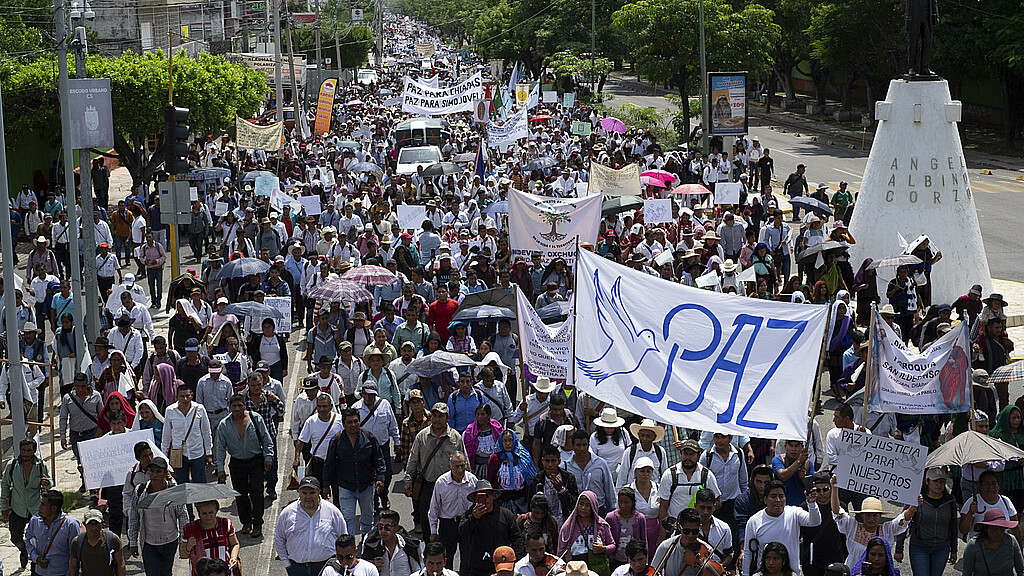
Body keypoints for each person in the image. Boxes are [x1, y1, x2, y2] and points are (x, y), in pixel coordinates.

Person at [215, 393, 275, 537]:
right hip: (237, 463)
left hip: (255, 461)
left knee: (256, 493)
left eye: (240, 405)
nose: (237, 409)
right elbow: (220, 447)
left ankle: (258, 524)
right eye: (234, 406)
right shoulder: (224, 425)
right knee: (240, 494)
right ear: (229, 407)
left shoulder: (255, 418)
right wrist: (220, 468)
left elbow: (267, 439)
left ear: (245, 406)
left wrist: (268, 457)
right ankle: (246, 522)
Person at [404, 402, 469, 536]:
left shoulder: (455, 437)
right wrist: (408, 480)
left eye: (441, 416)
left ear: (447, 418)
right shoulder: (422, 436)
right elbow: (413, 459)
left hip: (449, 486)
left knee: (448, 520)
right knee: (425, 517)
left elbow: (464, 461)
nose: (437, 419)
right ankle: (430, 548)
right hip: (428, 484)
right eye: (435, 416)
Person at [322, 405, 387, 536]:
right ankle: (350, 550)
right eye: (349, 422)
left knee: (368, 520)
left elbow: (379, 459)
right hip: (346, 487)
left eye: (356, 421)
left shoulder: (369, 437)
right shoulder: (336, 440)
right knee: (348, 520)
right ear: (344, 424)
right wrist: (325, 485)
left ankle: (366, 546)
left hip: (367, 487)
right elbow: (329, 464)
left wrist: (380, 478)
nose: (353, 425)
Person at [830, 475, 914, 569]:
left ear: (880, 516)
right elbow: (836, 511)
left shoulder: (887, 530)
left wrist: (913, 506)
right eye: (868, 515)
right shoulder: (852, 527)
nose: (871, 519)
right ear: (862, 515)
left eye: (875, 515)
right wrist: (834, 487)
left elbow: (904, 519)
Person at [742, 479, 822, 576]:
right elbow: (748, 552)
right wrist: (745, 574)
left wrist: (812, 503)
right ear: (765, 499)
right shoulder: (754, 521)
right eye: (773, 496)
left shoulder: (794, 513)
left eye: (781, 496)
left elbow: (815, 521)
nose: (778, 500)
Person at [127, 456, 190, 576]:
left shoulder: (173, 491)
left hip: (170, 542)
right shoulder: (140, 491)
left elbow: (183, 515)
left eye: (158, 471)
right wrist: (133, 542)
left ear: (165, 473)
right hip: (149, 543)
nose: (154, 475)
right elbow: (134, 517)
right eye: (152, 471)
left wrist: (183, 540)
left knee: (166, 573)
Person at [273, 477, 348, 576]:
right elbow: (279, 539)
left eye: (312, 493)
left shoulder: (332, 511)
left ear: (318, 492)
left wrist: (340, 563)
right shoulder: (287, 513)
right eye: (304, 493)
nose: (308, 497)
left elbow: (343, 538)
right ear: (299, 493)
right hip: (297, 569)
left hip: (326, 567)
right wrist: (287, 564)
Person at [2, 438, 51, 569]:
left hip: (36, 509)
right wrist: (3, 507)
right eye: (24, 450)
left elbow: (49, 482)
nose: (26, 454)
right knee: (15, 537)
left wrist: (48, 483)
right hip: (18, 508)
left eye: (29, 451)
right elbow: (5, 485)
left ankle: (36, 563)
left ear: (34, 451)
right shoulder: (12, 465)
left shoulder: (41, 465)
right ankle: (24, 551)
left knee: (38, 539)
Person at [458, 480, 525, 576]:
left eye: (487, 496)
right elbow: (462, 532)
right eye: (481, 496)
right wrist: (473, 518)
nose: (485, 499)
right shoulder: (469, 515)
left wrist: (515, 561)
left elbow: (517, 539)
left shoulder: (505, 514)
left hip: (502, 568)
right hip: (477, 568)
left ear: (493, 496)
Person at [354, 381, 401, 509]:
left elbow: (392, 425)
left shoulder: (384, 404)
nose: (369, 398)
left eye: (371, 395)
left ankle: (384, 495)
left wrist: (397, 442)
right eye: (366, 395)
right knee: (370, 477)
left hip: (383, 446)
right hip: (365, 449)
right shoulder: (356, 408)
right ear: (362, 394)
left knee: (388, 473)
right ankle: (374, 502)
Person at [903, 467, 958, 576]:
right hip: (919, 546)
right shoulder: (916, 499)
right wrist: (899, 548)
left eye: (942, 481)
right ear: (927, 481)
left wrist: (954, 550)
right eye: (935, 481)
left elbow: (953, 526)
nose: (939, 485)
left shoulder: (950, 500)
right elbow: (903, 521)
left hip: (942, 547)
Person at [428, 452, 477, 566]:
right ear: (449, 466)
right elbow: (434, 508)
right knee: (446, 558)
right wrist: (433, 531)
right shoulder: (441, 482)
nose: (460, 470)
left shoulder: (473, 481)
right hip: (448, 525)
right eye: (456, 466)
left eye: (462, 465)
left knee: (468, 558)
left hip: (467, 523)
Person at [657, 439, 721, 524]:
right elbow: (663, 506)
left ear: (699, 455)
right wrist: (662, 534)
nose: (687, 458)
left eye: (691, 454)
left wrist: (704, 509)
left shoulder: (707, 475)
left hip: (698, 527)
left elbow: (718, 501)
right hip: (675, 526)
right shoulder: (669, 474)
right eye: (685, 454)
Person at [59, 372, 103, 492]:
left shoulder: (96, 396)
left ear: (87, 384)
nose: (80, 389)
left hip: (92, 433)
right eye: (77, 386)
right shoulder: (68, 398)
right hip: (76, 435)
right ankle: (85, 482)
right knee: (80, 462)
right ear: (74, 385)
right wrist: (63, 436)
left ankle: (94, 485)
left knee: (92, 461)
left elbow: (101, 417)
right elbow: (63, 417)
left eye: (83, 386)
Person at [161, 386, 213, 485]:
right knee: (181, 486)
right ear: (177, 397)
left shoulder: (200, 409)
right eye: (182, 396)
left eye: (187, 396)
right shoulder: (170, 411)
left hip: (197, 453)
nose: (185, 399)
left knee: (200, 486)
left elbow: (206, 432)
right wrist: (165, 456)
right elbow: (166, 435)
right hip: (178, 455)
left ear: (191, 396)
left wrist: (208, 452)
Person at [960, 469, 1024, 546]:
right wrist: (970, 513)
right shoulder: (972, 502)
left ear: (999, 486)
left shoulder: (1006, 501)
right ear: (980, 486)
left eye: (994, 484)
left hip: (1002, 549)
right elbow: (963, 530)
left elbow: (1015, 527)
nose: (990, 487)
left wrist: (1020, 551)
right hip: (979, 550)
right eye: (987, 484)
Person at [25, 490, 81, 576]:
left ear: (54, 508)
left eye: (43, 505)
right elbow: (28, 540)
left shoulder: (71, 525)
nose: (39, 508)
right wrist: (36, 558)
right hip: (39, 572)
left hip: (61, 573)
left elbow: (74, 553)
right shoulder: (35, 521)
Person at [295, 393, 343, 490]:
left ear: (331, 406)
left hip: (336, 463)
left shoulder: (340, 420)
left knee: (338, 492)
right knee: (317, 494)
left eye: (325, 406)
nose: (322, 409)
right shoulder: (311, 421)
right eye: (319, 406)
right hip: (318, 464)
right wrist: (296, 458)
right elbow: (301, 441)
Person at [799, 472, 844, 576]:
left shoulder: (840, 507)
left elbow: (845, 535)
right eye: (818, 490)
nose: (822, 493)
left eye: (826, 489)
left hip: (834, 559)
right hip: (812, 561)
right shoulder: (805, 507)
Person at [557, 491, 616, 570]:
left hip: (596, 566)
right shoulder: (569, 526)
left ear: (593, 507)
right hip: (575, 568)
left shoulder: (602, 525)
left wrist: (604, 549)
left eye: (588, 505)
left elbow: (612, 545)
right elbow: (561, 551)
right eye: (581, 504)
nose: (583, 508)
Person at [180, 500, 240, 576]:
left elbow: (235, 544)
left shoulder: (225, 524)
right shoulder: (190, 529)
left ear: (216, 511)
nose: (208, 516)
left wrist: (233, 557)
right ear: (199, 513)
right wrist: (188, 547)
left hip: (224, 572)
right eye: (204, 513)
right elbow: (182, 555)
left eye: (211, 512)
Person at [650, 508, 715, 576]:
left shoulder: (707, 551)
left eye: (694, 531)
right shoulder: (666, 546)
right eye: (686, 531)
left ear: (700, 527)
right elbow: (654, 571)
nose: (690, 535)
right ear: (679, 527)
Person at [528, 444, 580, 526]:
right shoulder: (536, 481)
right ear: (542, 461)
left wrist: (561, 490)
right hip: (543, 523)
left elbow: (574, 504)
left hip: (564, 522)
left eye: (553, 461)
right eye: (547, 461)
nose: (550, 465)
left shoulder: (568, 478)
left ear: (559, 461)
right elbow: (530, 506)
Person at [360, 508, 423, 576]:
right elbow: (363, 570)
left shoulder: (411, 546)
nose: (383, 531)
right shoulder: (370, 544)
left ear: (396, 528)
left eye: (388, 527)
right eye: (380, 527)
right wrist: (373, 567)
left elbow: (418, 571)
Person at [489, 429, 539, 513]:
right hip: (502, 501)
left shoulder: (523, 457)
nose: (508, 443)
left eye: (510, 440)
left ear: (515, 441)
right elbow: (490, 481)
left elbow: (530, 480)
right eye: (505, 441)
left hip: (520, 501)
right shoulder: (495, 459)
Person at [962, 508, 1024, 576]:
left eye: (1001, 529)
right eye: (994, 529)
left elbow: (1020, 569)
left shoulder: (1011, 541)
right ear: (986, 528)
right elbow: (966, 573)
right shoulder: (973, 545)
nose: (998, 532)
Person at [69, 508, 126, 576]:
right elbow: (73, 567)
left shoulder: (112, 539)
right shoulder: (77, 542)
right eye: (90, 524)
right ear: (84, 524)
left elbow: (120, 564)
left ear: (102, 523)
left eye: (97, 524)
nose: (94, 528)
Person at [606, 487, 648, 568]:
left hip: (633, 561)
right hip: (615, 559)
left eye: (626, 502)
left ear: (633, 502)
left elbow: (644, 541)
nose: (623, 505)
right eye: (620, 502)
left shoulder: (640, 518)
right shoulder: (610, 517)